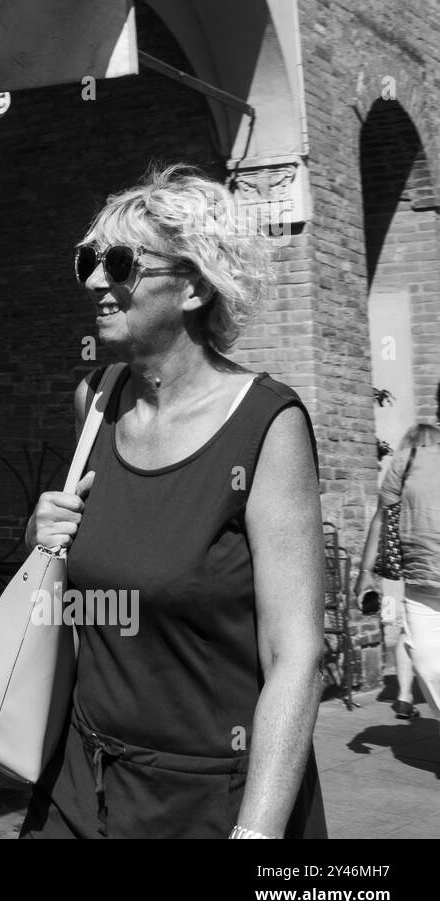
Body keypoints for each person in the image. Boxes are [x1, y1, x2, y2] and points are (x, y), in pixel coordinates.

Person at [19, 164, 326, 839]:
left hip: (210, 799)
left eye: (121, 263)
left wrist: (256, 835)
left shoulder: (267, 425)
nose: (97, 280)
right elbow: (86, 591)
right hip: (80, 784)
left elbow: (296, 652)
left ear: (191, 284)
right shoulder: (95, 401)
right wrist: (46, 535)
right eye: (88, 261)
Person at [354, 416, 440, 720]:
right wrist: (366, 573)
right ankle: (406, 694)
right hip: (421, 581)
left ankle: (405, 694)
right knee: (429, 667)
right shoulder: (406, 463)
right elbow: (382, 516)